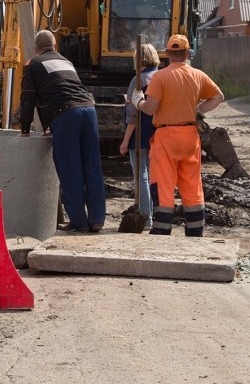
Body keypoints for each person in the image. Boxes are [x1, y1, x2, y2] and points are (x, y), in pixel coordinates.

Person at [131, 34, 224, 237]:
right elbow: (218, 96)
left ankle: (162, 231)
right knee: (191, 184)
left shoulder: (160, 77)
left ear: (167, 54)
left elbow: (149, 108)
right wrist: (199, 110)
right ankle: (195, 231)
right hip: (190, 135)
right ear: (187, 53)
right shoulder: (198, 75)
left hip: (166, 136)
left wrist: (137, 100)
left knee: (163, 184)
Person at [19, 29, 107, 233]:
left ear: (36, 49)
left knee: (70, 169)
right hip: (88, 110)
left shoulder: (33, 64)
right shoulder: (66, 62)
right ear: (55, 46)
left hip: (66, 115)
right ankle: (97, 219)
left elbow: (28, 98)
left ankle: (78, 222)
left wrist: (25, 129)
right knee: (92, 166)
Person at [118, 43, 160, 229]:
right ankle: (157, 216)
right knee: (154, 176)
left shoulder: (138, 80)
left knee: (140, 176)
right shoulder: (161, 77)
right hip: (159, 134)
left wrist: (126, 140)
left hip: (140, 135)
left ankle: (146, 217)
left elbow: (132, 115)